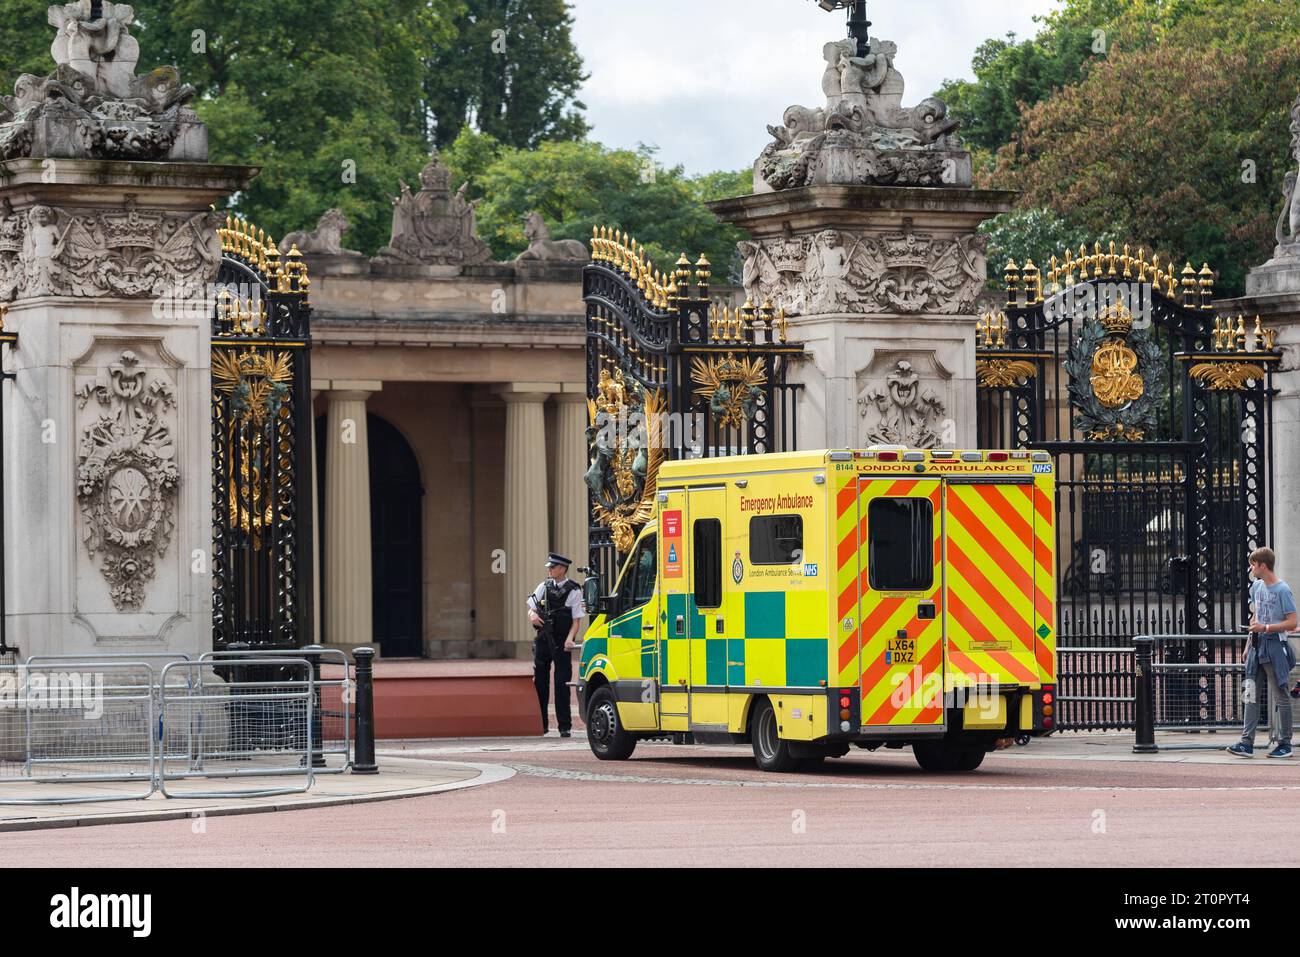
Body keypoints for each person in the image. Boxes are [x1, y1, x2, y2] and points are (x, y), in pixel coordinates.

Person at [1227, 547, 1297, 758]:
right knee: (1250, 693)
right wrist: (1249, 644)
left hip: (1274, 645)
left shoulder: (1282, 590)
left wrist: (1265, 628)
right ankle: (1246, 742)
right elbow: (1256, 616)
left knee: (1281, 695)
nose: (1251, 568)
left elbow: (1293, 621)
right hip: (1257, 645)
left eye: (1253, 565)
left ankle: (1285, 744)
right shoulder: (1257, 587)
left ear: (1262, 565)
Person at [526, 552, 585, 737]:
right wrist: (533, 616)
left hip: (561, 641)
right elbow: (531, 609)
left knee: (561, 683)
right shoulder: (543, 586)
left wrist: (570, 639)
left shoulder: (574, 590)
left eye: (552, 567)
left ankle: (564, 726)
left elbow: (576, 620)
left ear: (562, 569)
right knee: (540, 683)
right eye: (549, 568)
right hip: (543, 639)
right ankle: (541, 724)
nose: (549, 570)